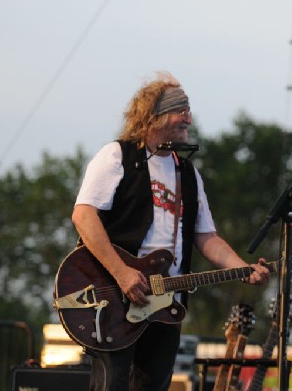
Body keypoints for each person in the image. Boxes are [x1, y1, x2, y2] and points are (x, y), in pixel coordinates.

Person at [71, 72, 270, 390]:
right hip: (115, 298)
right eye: (181, 110)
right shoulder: (117, 156)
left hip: (165, 302)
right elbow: (83, 216)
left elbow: (206, 237)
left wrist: (240, 268)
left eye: (188, 110)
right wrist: (122, 273)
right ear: (155, 115)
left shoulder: (187, 173)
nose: (188, 119)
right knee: (112, 383)